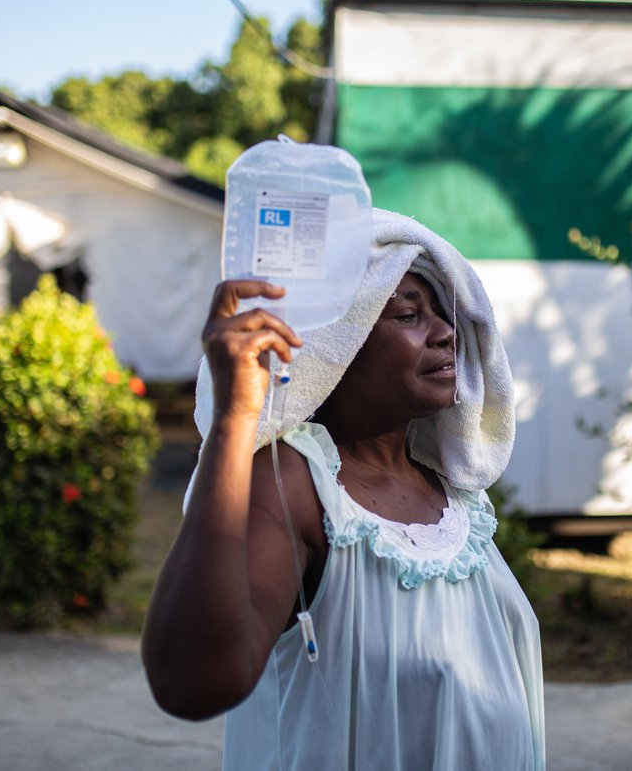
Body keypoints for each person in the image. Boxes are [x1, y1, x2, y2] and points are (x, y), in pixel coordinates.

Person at [141, 210, 544, 770]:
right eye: (407, 313)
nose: (447, 332)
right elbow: (191, 683)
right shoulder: (293, 486)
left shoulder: (454, 497)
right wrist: (236, 418)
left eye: (441, 312)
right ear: (334, 345)